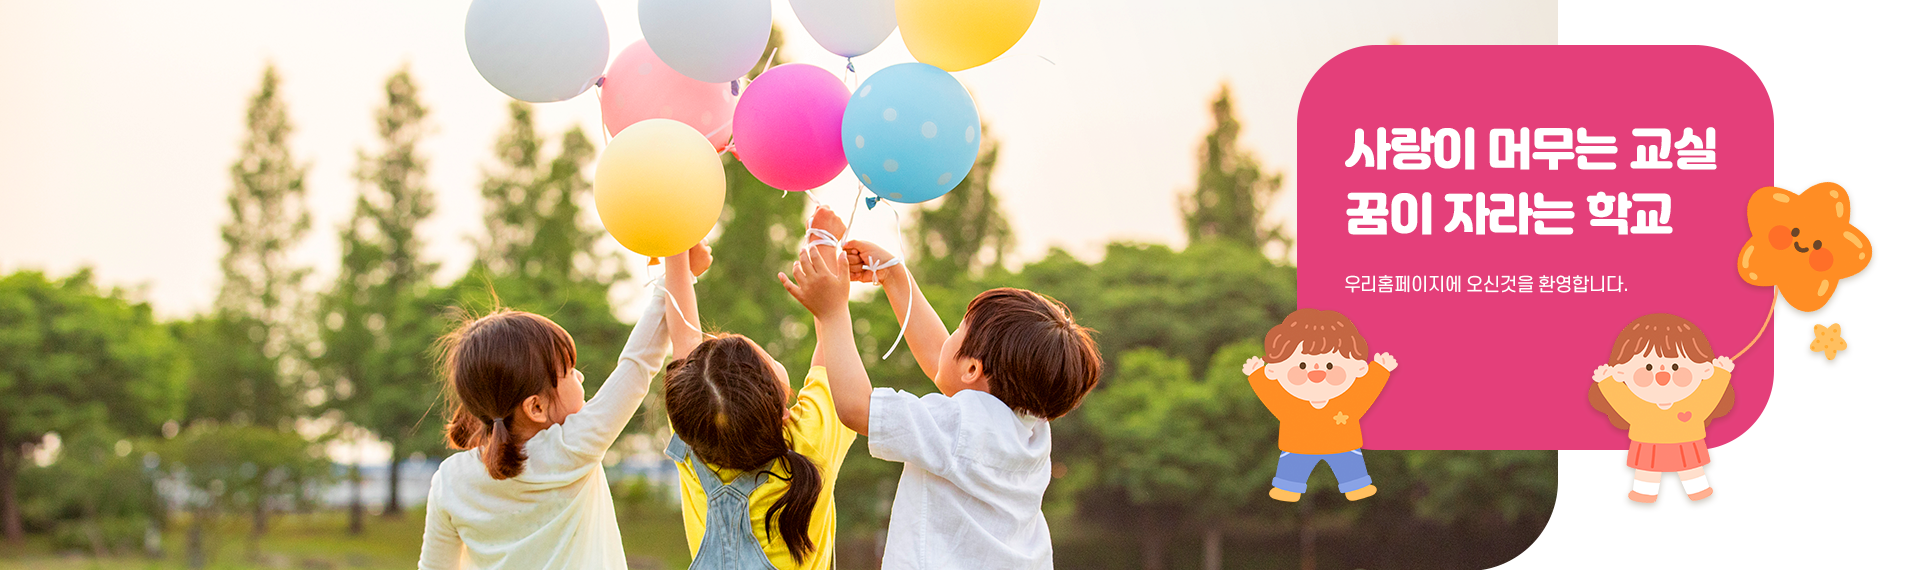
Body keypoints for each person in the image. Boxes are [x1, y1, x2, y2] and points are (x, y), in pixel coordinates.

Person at [778, 229, 1102, 569]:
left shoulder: (959, 426)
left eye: (960, 328)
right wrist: (892, 274)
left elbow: (857, 407)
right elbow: (945, 364)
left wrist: (832, 313)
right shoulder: (1030, 427)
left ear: (973, 368)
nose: (950, 336)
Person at [416, 246, 704, 570]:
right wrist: (680, 269)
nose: (580, 376)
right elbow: (638, 363)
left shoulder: (450, 481)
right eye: (568, 371)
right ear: (536, 407)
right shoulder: (572, 449)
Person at [658, 209, 857, 569]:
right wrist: (822, 244)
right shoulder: (809, 442)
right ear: (782, 409)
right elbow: (834, 344)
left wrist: (680, 254)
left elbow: (683, 335)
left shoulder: (695, 431)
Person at [1242, 309, 1398, 502]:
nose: (1316, 373)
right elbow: (1271, 395)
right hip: (1300, 445)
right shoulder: (1290, 404)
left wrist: (1379, 370)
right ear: (1275, 370)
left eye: (1330, 365)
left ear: (1357, 367)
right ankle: (1288, 486)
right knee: (1293, 467)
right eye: (1302, 366)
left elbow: (1366, 391)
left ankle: (1355, 484)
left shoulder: (1347, 402)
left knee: (1348, 464)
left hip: (1340, 443)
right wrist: (1258, 375)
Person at [1590, 313, 1736, 503]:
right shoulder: (1639, 409)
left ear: (1704, 370)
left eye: (1675, 366)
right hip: (1651, 445)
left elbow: (1710, 395)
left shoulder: (1692, 405)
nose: (1663, 375)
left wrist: (1721, 375)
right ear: (1621, 372)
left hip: (1684, 442)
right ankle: (1645, 494)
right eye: (1648, 367)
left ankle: (1699, 493)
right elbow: (1621, 400)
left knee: (1691, 471)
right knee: (1647, 475)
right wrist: (1607, 382)